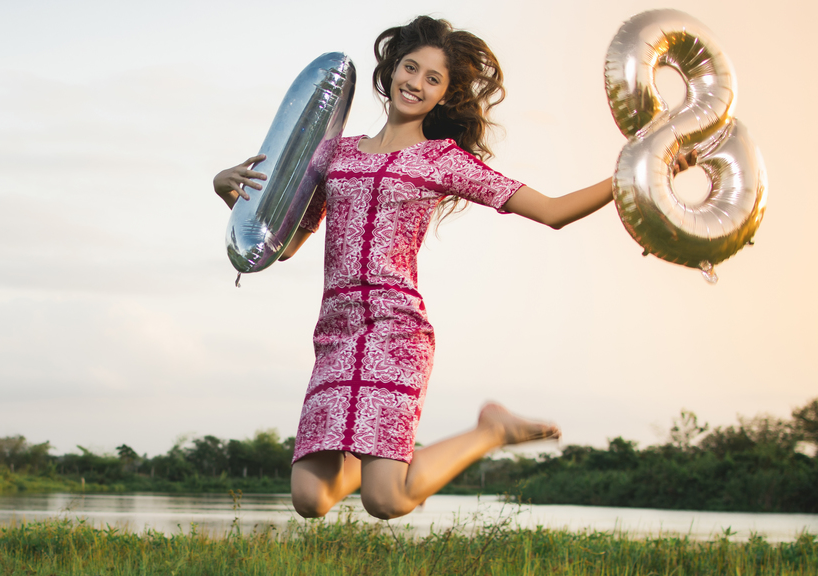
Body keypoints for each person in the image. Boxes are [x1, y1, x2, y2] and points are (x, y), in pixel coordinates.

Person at [214, 16, 682, 521]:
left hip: (395, 332)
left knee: (385, 500)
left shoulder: (443, 160)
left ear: (443, 96)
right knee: (310, 499)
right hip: (336, 333)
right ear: (391, 69)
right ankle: (377, 464)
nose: (416, 83)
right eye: (410, 68)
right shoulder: (334, 155)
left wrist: (634, 174)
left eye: (432, 79)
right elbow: (285, 247)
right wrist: (229, 194)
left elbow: (553, 211)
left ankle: (492, 431)